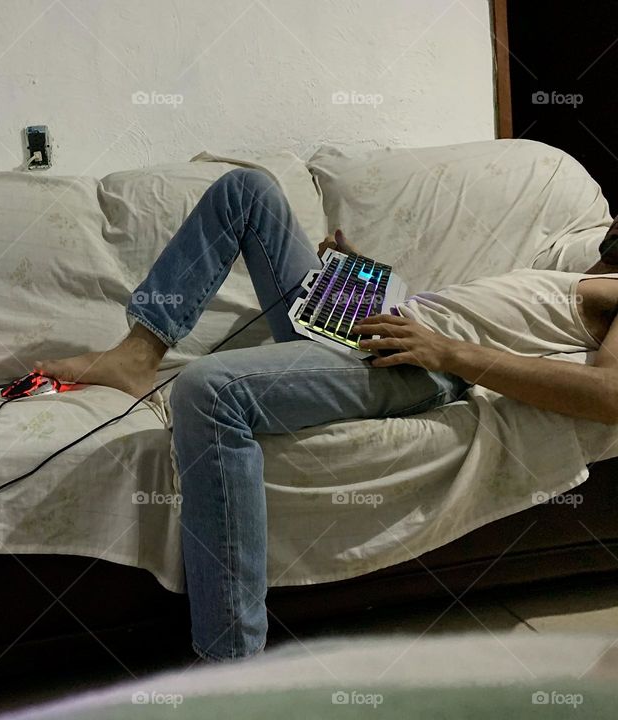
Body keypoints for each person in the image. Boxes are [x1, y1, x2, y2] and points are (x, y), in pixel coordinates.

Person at [34, 168, 618, 662]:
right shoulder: (583, 272)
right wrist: (364, 280)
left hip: (417, 365)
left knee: (208, 389)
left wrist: (449, 352)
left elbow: (609, 396)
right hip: (389, 321)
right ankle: (136, 355)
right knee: (247, 189)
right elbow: (488, 313)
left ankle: (233, 659)